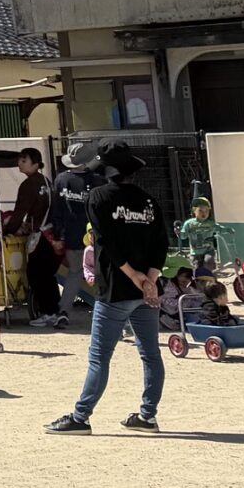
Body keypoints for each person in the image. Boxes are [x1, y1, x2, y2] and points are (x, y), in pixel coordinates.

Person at [46, 144, 169, 434]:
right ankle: (147, 416)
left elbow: (105, 242)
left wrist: (134, 276)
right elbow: (161, 243)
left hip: (115, 288)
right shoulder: (148, 201)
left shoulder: (98, 196)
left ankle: (80, 417)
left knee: (100, 357)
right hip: (146, 291)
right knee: (151, 354)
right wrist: (149, 279)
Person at [42, 140, 104, 327]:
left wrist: (58, 236)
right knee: (101, 275)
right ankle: (106, 314)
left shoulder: (61, 179)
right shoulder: (97, 180)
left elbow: (57, 210)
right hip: (95, 237)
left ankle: (63, 311)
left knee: (74, 274)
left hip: (71, 236)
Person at [3, 147, 55, 325]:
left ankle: (47, 312)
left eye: (24, 160)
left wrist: (7, 230)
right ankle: (52, 310)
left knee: (36, 274)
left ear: (35, 163)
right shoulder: (46, 181)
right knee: (47, 275)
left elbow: (19, 212)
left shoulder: (28, 184)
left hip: (40, 234)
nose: (20, 163)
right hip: (51, 233)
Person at [177, 196, 224, 276]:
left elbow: (219, 229)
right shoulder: (189, 224)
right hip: (195, 253)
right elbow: (183, 236)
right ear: (194, 211)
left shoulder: (210, 223)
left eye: (206, 211)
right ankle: (198, 281)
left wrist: (226, 230)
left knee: (208, 262)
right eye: (200, 210)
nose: (204, 213)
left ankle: (210, 278)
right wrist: (179, 233)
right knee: (196, 270)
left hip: (208, 250)